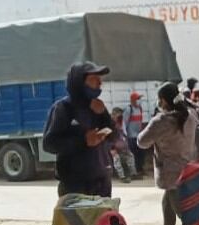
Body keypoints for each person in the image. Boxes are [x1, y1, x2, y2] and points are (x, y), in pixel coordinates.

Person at [137, 82, 199, 225]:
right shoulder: (190, 115)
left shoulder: (162, 121)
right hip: (187, 168)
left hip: (170, 173)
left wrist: (155, 123)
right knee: (168, 205)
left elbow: (141, 142)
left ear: (163, 100)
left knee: (183, 214)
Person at [43, 63, 115, 197]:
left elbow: (114, 136)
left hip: (102, 182)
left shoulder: (98, 107)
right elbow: (49, 144)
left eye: (100, 80)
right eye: (94, 79)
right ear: (79, 82)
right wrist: (83, 141)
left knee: (102, 218)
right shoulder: (63, 108)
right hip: (74, 185)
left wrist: (104, 115)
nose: (100, 83)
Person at [110, 108, 137, 184]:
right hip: (112, 148)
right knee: (116, 158)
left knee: (130, 155)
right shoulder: (109, 124)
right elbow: (107, 138)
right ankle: (122, 176)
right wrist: (112, 148)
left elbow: (123, 136)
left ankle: (133, 173)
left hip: (122, 146)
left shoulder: (119, 124)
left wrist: (125, 145)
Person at [123, 92, 146, 178]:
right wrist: (125, 135)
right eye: (137, 99)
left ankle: (140, 169)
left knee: (141, 153)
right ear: (133, 100)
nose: (139, 100)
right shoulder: (129, 109)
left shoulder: (140, 108)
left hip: (139, 136)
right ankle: (134, 172)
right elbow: (124, 123)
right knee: (133, 155)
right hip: (131, 136)